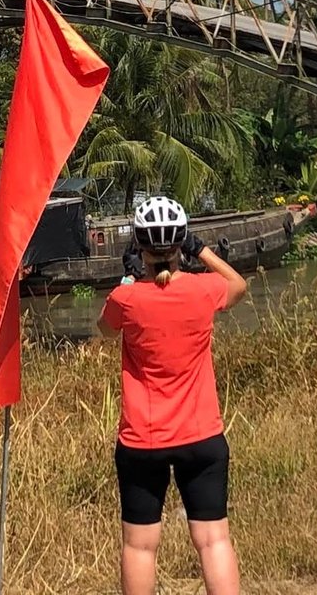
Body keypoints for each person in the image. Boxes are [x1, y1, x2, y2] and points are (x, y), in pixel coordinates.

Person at [98, 196, 247, 595]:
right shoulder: (204, 289)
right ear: (181, 242)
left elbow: (105, 329)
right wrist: (201, 249)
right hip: (202, 436)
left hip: (142, 440)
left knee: (140, 546)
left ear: (138, 245)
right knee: (214, 540)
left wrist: (128, 279)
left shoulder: (126, 299)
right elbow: (239, 285)